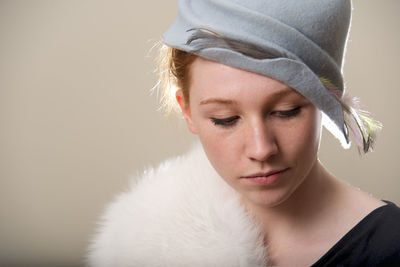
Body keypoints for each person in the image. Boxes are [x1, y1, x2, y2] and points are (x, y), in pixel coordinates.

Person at [87, 0, 400, 266]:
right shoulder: (146, 241)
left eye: (287, 111)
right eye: (225, 119)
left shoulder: (390, 248)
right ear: (187, 111)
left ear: (322, 102)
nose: (262, 149)